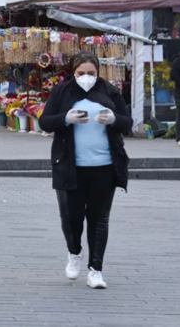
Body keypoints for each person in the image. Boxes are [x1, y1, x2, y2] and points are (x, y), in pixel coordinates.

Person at [39, 51, 132, 290]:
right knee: (71, 218)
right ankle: (74, 252)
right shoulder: (62, 92)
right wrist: (66, 118)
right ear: (73, 72)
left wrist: (113, 119)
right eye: (81, 74)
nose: (87, 78)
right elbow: (45, 121)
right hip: (70, 166)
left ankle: (96, 270)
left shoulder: (109, 90)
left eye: (91, 73)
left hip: (104, 166)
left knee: (99, 219)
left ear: (98, 72)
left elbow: (127, 121)